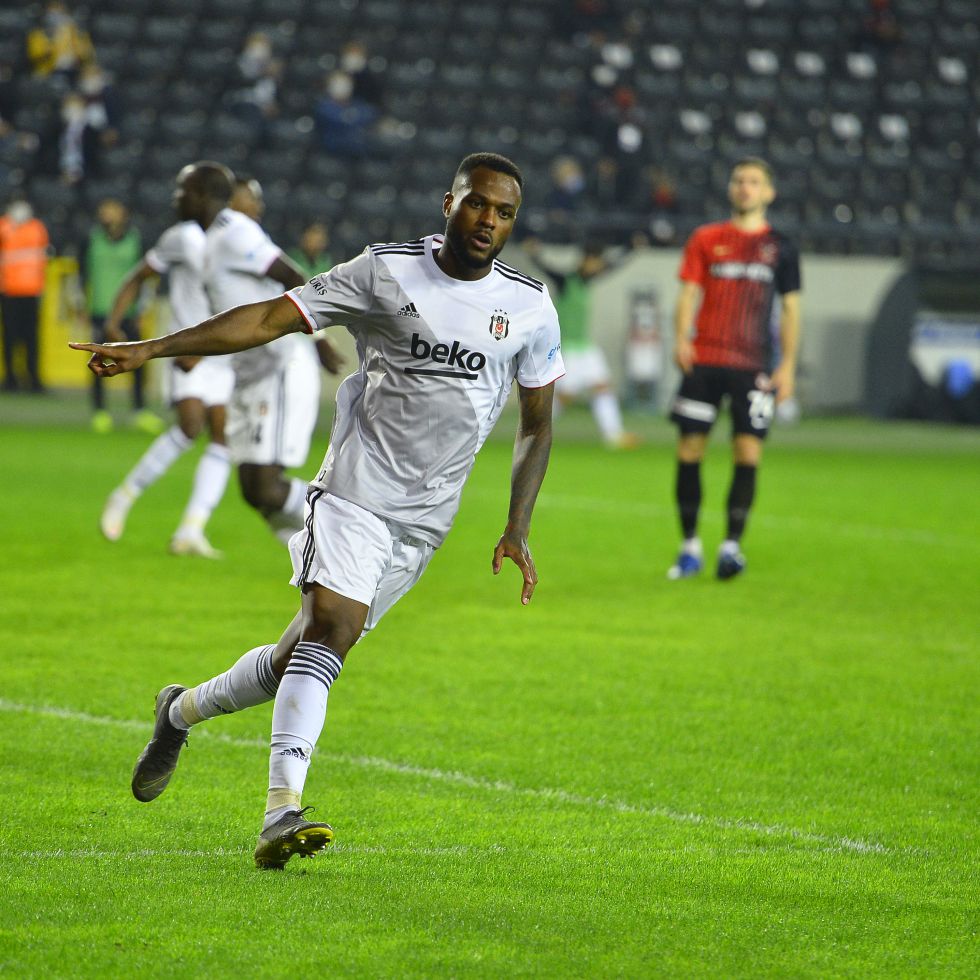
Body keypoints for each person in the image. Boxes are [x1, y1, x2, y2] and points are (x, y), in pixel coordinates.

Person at [70, 152, 565, 870]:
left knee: (295, 656)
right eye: (477, 204)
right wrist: (151, 348)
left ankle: (178, 712)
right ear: (448, 201)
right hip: (355, 491)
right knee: (330, 630)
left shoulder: (528, 307)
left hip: (426, 521)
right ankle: (281, 812)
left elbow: (537, 421)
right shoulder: (385, 271)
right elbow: (271, 316)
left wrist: (517, 525)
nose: (489, 220)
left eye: (504, 211)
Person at [191, 163, 342, 544]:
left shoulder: (236, 231)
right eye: (251, 197)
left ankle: (346, 526)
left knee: (265, 486)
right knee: (254, 491)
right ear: (229, 198)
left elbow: (293, 278)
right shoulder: (215, 238)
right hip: (249, 374)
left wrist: (318, 337)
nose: (258, 206)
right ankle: (316, 566)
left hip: (277, 364)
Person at [667, 157, 801, 581]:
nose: (745, 187)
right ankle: (689, 547)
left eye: (754, 182)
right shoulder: (707, 238)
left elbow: (792, 310)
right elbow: (688, 293)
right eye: (739, 180)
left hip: (753, 366)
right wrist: (681, 337)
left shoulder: (781, 247)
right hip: (704, 360)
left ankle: (730, 547)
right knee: (689, 450)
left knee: (748, 453)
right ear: (730, 188)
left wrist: (788, 365)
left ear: (768, 192)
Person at [97, 172, 236, 558]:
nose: (177, 196)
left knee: (222, 434)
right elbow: (138, 276)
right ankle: (124, 495)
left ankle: (191, 529)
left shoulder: (238, 239)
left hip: (223, 352)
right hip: (185, 346)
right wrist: (114, 322)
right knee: (191, 426)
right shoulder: (181, 237)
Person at [523, 238, 638, 448]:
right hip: (567, 347)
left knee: (602, 387)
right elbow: (548, 270)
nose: (598, 266)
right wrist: (534, 254)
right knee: (566, 396)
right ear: (586, 260)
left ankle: (614, 436)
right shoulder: (567, 280)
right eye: (595, 261)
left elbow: (612, 265)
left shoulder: (588, 280)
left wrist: (630, 248)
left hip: (585, 347)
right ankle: (532, 430)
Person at [81, 199, 162, 433]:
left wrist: (143, 309)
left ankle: (139, 410)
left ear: (123, 212)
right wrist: (81, 307)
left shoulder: (136, 240)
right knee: (95, 361)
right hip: (98, 311)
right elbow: (81, 274)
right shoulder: (90, 238)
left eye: (112, 208)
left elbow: (146, 278)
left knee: (137, 359)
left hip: (129, 313)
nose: (107, 213)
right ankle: (100, 411)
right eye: (103, 208)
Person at [0, 195, 50, 393]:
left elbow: (42, 258)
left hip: (32, 292)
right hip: (9, 292)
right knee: (10, 337)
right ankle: (10, 379)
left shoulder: (37, 228)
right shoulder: (3, 227)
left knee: (32, 338)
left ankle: (34, 379)